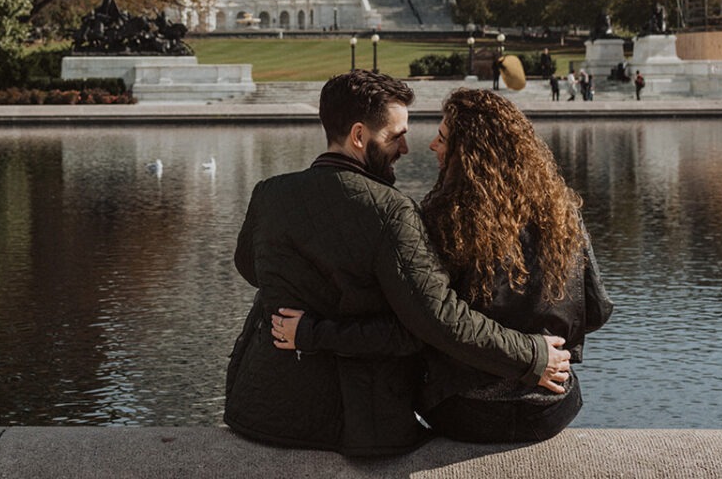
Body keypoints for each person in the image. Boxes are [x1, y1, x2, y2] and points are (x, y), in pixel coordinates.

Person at [225, 71, 572, 457]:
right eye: (396, 136)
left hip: (259, 407)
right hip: (352, 422)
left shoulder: (268, 193)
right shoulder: (393, 212)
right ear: (359, 136)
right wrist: (532, 356)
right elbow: (438, 319)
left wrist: (317, 297)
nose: (406, 148)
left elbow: (250, 268)